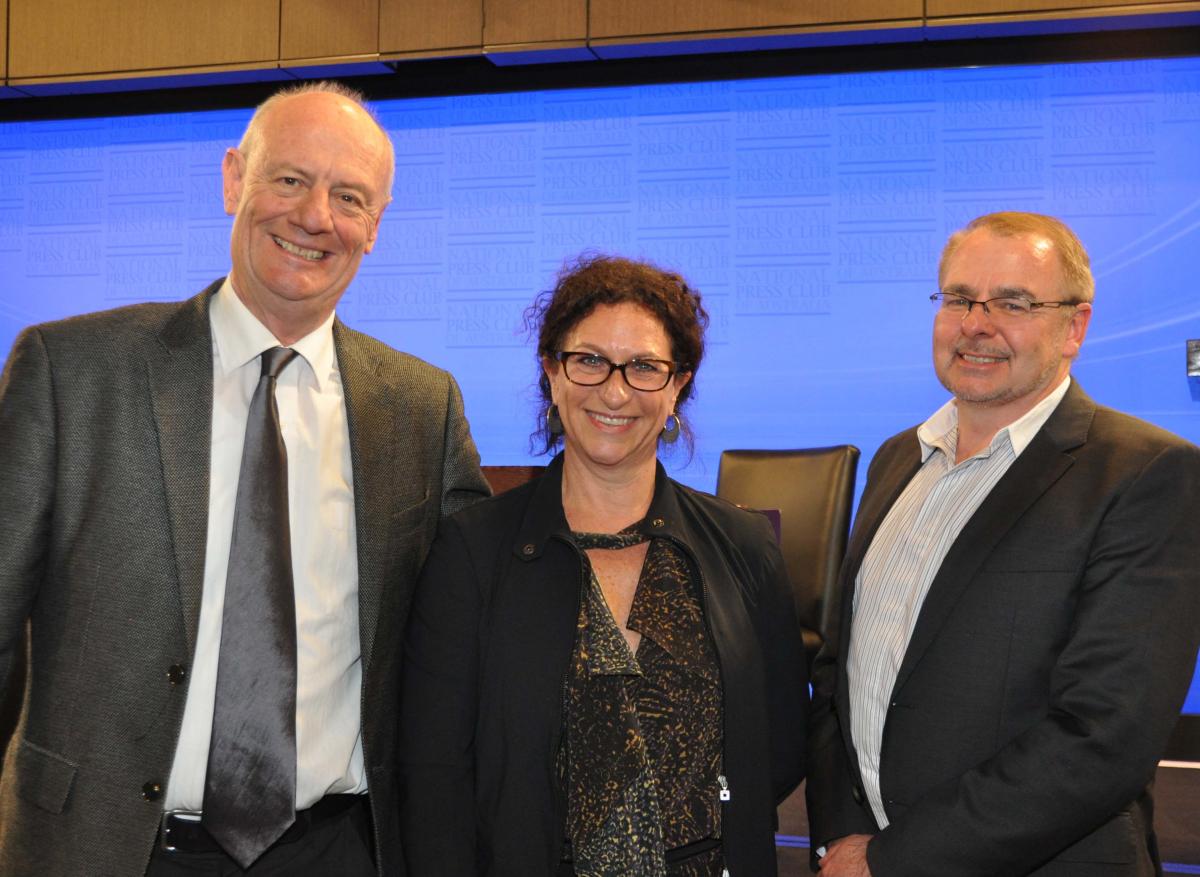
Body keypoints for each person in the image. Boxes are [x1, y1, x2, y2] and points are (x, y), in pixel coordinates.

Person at [0, 81, 490, 876]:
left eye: (349, 196)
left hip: (337, 851)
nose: (314, 217)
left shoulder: (420, 406)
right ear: (235, 178)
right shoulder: (73, 371)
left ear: (376, 226)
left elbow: (472, 626)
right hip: (102, 849)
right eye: (290, 180)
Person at [806, 211, 1200, 876]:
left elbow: (1104, 736)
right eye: (959, 298)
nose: (975, 324)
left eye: (1013, 303)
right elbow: (840, 675)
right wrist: (842, 836)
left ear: (1074, 327)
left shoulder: (1145, 473)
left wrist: (894, 857)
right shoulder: (898, 458)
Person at [398, 254, 807, 876]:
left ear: (678, 386)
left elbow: (773, 748)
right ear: (551, 372)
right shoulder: (472, 551)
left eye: (644, 367)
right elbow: (434, 778)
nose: (614, 391)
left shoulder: (744, 547)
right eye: (588, 360)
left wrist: (715, 809)